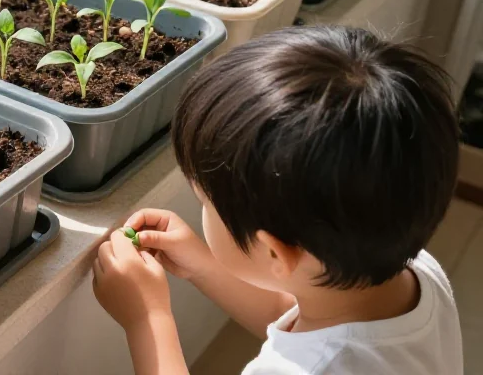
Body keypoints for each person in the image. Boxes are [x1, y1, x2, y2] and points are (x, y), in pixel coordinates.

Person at [92, 26, 463, 374]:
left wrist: (147, 319)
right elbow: (293, 309)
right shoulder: (413, 273)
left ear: (274, 252)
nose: (203, 209)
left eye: (205, 201)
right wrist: (204, 267)